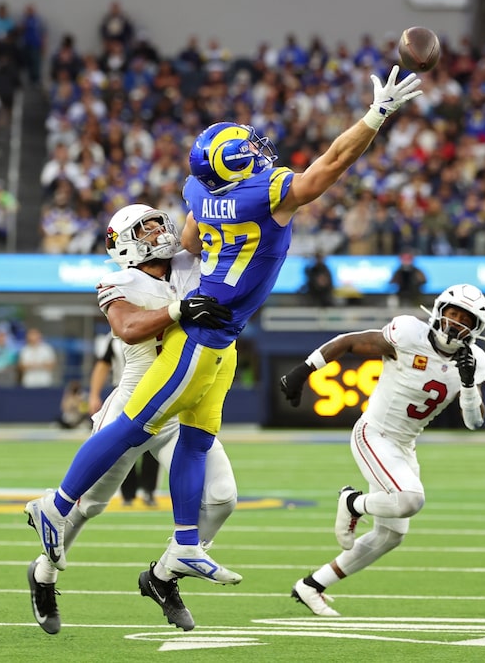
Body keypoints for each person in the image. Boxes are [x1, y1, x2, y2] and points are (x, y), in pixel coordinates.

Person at [24, 66, 423, 601]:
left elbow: (192, 233)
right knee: (122, 448)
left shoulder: (194, 209)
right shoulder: (141, 266)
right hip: (179, 350)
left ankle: (182, 548)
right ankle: (55, 509)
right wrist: (378, 114)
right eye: (146, 230)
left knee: (202, 452)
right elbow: (331, 164)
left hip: (218, 340)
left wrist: (206, 246)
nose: (161, 231)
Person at [27, 204, 239, 634]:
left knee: (221, 499)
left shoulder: (186, 263)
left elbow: (196, 221)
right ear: (122, 242)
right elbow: (127, 326)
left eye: (160, 223)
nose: (161, 231)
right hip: (134, 404)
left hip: (181, 408)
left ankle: (163, 575)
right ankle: (44, 573)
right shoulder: (118, 279)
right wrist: (179, 310)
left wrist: (205, 188)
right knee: (86, 507)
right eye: (148, 228)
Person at [279, 284, 485, 617]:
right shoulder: (408, 333)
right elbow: (349, 341)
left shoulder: (474, 362)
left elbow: (474, 422)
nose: (456, 323)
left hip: (404, 445)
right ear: (439, 310)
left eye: (466, 319)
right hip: (374, 433)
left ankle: (311, 585)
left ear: (475, 328)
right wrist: (303, 371)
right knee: (410, 499)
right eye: (453, 313)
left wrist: (467, 384)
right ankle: (351, 501)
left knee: (390, 535)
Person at [88, 332, 159, 507]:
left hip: (153, 390)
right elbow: (103, 364)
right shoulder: (112, 338)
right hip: (123, 392)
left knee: (153, 441)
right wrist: (94, 394)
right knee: (122, 444)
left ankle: (149, 491)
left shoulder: (156, 329)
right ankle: (128, 494)